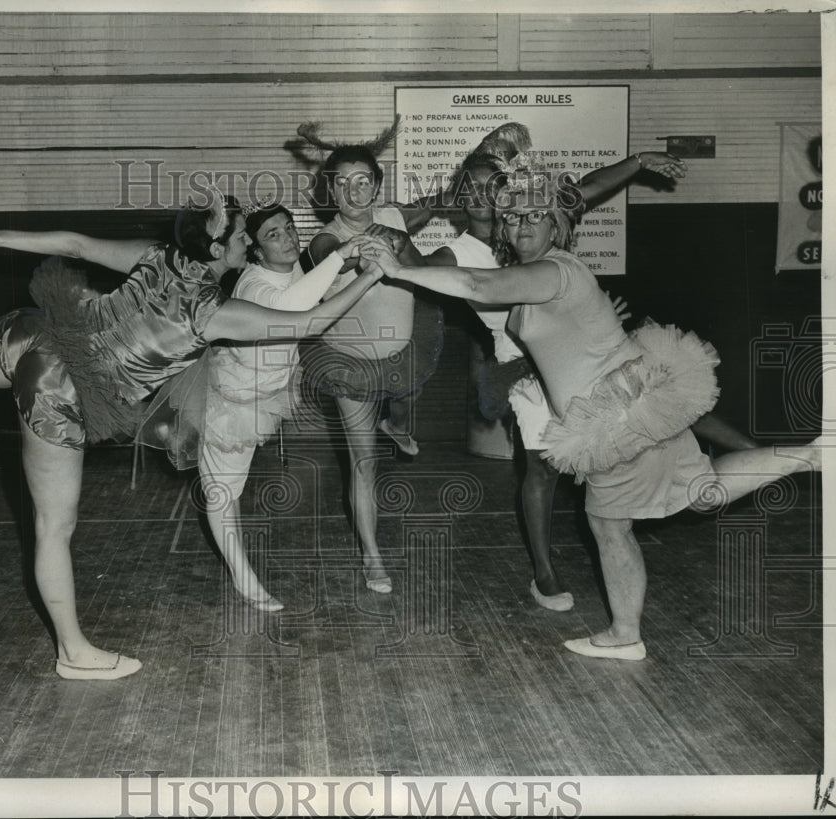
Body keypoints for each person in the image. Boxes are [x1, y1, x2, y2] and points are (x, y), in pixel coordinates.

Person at [0, 192, 386, 679]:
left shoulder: (155, 255)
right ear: (215, 249)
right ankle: (74, 654)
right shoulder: (215, 314)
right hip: (59, 389)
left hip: (33, 334)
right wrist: (373, 273)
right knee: (53, 527)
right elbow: (310, 320)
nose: (247, 243)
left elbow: (74, 244)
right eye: (238, 237)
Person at [361, 160, 821, 660]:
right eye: (513, 217)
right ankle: (814, 455)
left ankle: (625, 635)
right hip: (639, 399)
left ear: (557, 224)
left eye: (535, 216)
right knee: (700, 492)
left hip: (616, 417)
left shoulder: (552, 270)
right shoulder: (535, 277)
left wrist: (398, 269)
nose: (523, 224)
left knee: (609, 523)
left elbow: (477, 286)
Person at [289, 123, 445, 594]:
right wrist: (360, 247)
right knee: (364, 462)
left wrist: (401, 241)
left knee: (407, 388)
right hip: (349, 363)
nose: (354, 191)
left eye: (363, 182)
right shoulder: (323, 238)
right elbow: (330, 255)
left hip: (402, 352)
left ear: (376, 186)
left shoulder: (395, 218)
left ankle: (396, 421)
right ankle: (372, 556)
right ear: (330, 189)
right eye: (342, 182)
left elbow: (418, 265)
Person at [191, 203, 365, 611]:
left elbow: (314, 288)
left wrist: (354, 260)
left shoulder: (294, 271)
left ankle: (240, 573)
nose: (287, 238)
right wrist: (342, 254)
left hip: (264, 393)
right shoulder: (253, 283)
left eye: (289, 228)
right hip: (230, 399)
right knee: (222, 493)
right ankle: (243, 578)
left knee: (228, 489)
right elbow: (291, 308)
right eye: (273, 234)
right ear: (254, 250)